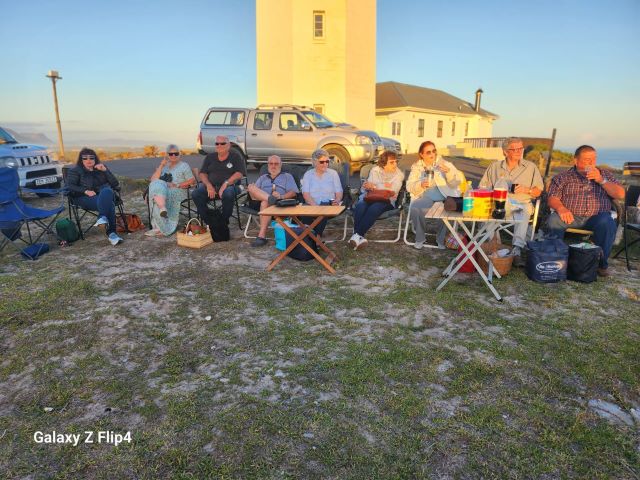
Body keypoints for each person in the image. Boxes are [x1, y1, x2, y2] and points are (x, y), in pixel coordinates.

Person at [546, 145, 625, 277]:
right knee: (554, 220)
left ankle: (601, 264)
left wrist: (601, 180)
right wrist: (561, 208)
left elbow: (620, 194)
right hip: (570, 216)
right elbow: (552, 198)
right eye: (587, 159)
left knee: (607, 222)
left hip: (597, 217)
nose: (591, 163)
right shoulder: (563, 177)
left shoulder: (604, 175)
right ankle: (555, 260)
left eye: (594, 159)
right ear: (576, 161)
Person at [478, 137, 544, 266]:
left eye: (520, 148)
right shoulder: (494, 167)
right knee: (487, 212)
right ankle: (495, 245)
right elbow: (483, 187)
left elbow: (539, 191)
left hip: (521, 203)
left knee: (524, 212)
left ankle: (516, 250)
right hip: (499, 203)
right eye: (514, 149)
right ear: (505, 152)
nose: (519, 151)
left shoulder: (530, 167)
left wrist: (527, 190)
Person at [408, 141, 466, 249]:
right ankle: (420, 238)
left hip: (445, 197)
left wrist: (448, 172)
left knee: (445, 211)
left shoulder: (444, 164)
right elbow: (409, 185)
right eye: (428, 152)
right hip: (426, 196)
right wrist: (420, 185)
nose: (432, 154)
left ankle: (441, 239)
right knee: (416, 207)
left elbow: (456, 182)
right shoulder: (417, 167)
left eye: (434, 151)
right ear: (422, 154)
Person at [66, 148, 124, 246]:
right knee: (109, 204)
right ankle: (112, 234)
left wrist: (105, 171)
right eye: (85, 158)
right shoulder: (75, 171)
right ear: (81, 160)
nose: (88, 160)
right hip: (84, 198)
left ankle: (102, 217)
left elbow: (115, 184)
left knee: (107, 191)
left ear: (95, 159)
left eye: (91, 158)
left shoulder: (101, 168)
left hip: (104, 195)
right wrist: (85, 191)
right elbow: (70, 186)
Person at [349, 150, 404, 250]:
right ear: (384, 163)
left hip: (387, 200)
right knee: (360, 205)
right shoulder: (375, 170)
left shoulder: (399, 174)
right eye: (392, 162)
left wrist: (375, 186)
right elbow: (366, 187)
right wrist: (383, 186)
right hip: (370, 197)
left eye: (396, 161)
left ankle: (356, 235)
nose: (395, 164)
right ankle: (358, 237)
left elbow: (393, 190)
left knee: (374, 208)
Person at [246, 155, 299, 247]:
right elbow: (253, 195)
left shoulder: (287, 176)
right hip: (258, 202)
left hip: (279, 204)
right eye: (271, 163)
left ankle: (261, 236)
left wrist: (281, 196)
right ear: (268, 165)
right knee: (251, 187)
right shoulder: (263, 177)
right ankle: (270, 198)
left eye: (276, 164)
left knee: (265, 202)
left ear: (280, 165)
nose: (273, 166)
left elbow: (293, 192)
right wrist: (251, 190)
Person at [192, 135, 244, 224]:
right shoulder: (210, 157)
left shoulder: (235, 157)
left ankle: (223, 221)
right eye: (217, 143)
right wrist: (208, 185)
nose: (219, 145)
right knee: (196, 193)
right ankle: (209, 220)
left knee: (228, 193)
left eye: (222, 143)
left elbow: (239, 173)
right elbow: (202, 173)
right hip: (211, 187)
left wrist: (226, 184)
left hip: (230, 186)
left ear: (229, 145)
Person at [145, 144, 196, 237]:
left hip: (179, 190)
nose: (173, 156)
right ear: (167, 155)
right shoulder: (165, 167)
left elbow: (192, 180)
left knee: (156, 196)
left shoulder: (184, 166)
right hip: (163, 191)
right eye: (171, 154)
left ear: (179, 154)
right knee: (156, 188)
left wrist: (177, 185)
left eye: (176, 154)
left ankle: (162, 227)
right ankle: (161, 212)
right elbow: (153, 180)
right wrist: (161, 165)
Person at [300, 149, 343, 236]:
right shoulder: (308, 174)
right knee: (306, 214)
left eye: (327, 161)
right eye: (322, 162)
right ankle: (309, 238)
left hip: (328, 204)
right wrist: (314, 206)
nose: (325, 164)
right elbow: (306, 194)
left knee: (323, 211)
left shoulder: (333, 174)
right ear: (315, 162)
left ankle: (316, 238)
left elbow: (339, 191)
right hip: (311, 204)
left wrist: (337, 200)